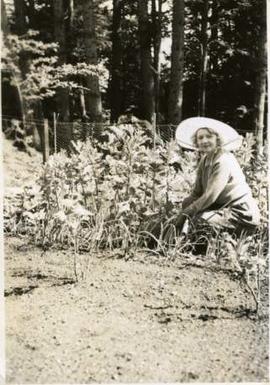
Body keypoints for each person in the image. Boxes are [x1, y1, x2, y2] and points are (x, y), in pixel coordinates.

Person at [171, 117, 261, 253]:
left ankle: (205, 254)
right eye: (200, 138)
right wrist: (184, 207)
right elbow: (197, 193)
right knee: (187, 210)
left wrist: (185, 214)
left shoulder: (223, 160)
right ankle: (183, 247)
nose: (204, 141)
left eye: (209, 136)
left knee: (201, 220)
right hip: (222, 209)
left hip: (241, 214)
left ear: (217, 139)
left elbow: (210, 197)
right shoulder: (205, 160)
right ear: (196, 142)